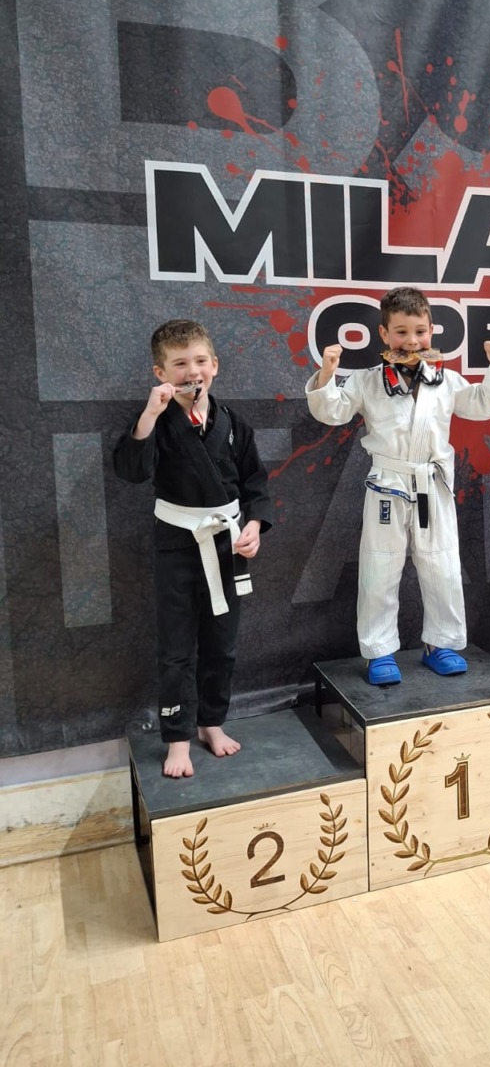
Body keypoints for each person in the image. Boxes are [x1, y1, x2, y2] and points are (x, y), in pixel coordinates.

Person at [306, 286, 490, 685]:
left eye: (419, 331)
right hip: (387, 483)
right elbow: (333, 411)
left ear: (432, 331)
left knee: (443, 566)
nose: (411, 341)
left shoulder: (446, 379)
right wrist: (327, 375)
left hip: (431, 482)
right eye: (401, 332)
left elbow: (481, 403)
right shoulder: (368, 381)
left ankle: (441, 644)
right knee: (380, 568)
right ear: (384, 334)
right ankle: (379, 651)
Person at [114, 320, 271, 778]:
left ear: (214, 366)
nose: (192, 372)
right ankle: (178, 739)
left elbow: (256, 483)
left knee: (222, 643)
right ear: (161, 373)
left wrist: (254, 526)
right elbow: (132, 471)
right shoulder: (157, 422)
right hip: (177, 545)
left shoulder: (234, 424)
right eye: (179, 364)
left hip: (226, 544)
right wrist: (149, 414)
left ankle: (211, 723)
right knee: (177, 646)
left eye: (200, 361)